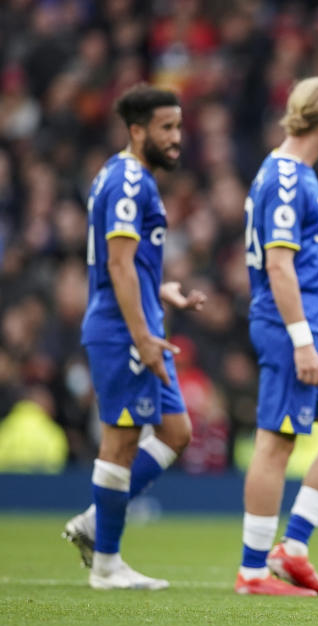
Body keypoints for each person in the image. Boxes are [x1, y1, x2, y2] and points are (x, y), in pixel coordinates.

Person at [63, 84, 207, 590]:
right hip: (123, 330)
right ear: (137, 130)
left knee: (176, 432)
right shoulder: (127, 180)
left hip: (141, 320)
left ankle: (94, 522)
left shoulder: (130, 176)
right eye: (166, 128)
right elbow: (118, 263)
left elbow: (129, 264)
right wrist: (143, 335)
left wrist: (161, 290)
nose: (176, 138)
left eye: (179, 127)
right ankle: (106, 565)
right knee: (121, 441)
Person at [234, 76, 318, 597]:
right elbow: (279, 266)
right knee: (276, 443)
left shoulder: (290, 173)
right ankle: (252, 571)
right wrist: (302, 340)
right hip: (294, 331)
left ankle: (293, 548)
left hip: (310, 331)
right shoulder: (287, 178)